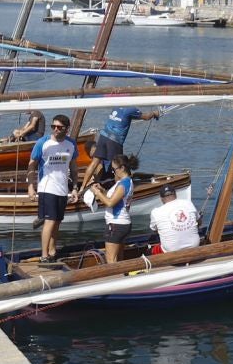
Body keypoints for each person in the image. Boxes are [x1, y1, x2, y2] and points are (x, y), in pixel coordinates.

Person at [27, 114, 76, 264]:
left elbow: (73, 167)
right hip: (47, 187)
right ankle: (44, 255)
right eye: (53, 126)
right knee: (50, 221)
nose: (55, 129)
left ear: (66, 129)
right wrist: (30, 187)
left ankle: (53, 250)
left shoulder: (71, 144)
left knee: (57, 221)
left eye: (59, 127)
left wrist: (74, 188)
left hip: (62, 188)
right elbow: (32, 165)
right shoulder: (43, 143)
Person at [79, 104, 159, 192]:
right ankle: (117, 192)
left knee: (95, 162)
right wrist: (154, 113)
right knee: (118, 167)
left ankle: (82, 188)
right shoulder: (131, 109)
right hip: (115, 140)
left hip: (103, 136)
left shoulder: (116, 106)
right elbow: (146, 117)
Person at [88, 153, 138, 263]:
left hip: (116, 224)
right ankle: (121, 277)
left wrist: (96, 192)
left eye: (114, 169)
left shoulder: (123, 184)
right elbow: (114, 198)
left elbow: (110, 203)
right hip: (123, 224)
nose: (113, 172)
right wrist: (102, 190)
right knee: (119, 259)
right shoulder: (127, 181)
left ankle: (115, 278)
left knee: (111, 261)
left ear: (122, 168)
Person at [149, 183, 200, 252]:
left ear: (161, 199)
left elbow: (154, 230)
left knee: (152, 250)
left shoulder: (155, 212)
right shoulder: (188, 203)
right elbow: (199, 222)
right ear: (175, 194)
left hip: (172, 251)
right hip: (194, 246)